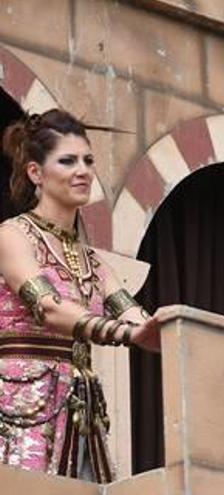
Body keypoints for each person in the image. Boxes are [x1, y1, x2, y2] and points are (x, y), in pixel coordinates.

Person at [0, 109, 163, 482]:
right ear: (36, 173)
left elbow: (135, 314)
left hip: (80, 414)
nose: (83, 170)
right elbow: (49, 308)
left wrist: (170, 327)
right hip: (23, 408)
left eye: (88, 160)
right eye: (68, 160)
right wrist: (128, 334)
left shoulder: (93, 262)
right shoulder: (13, 235)